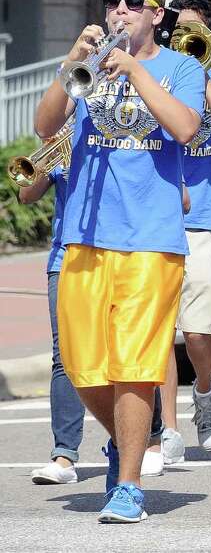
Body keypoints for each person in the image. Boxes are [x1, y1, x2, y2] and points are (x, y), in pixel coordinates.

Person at [34, 0, 205, 522]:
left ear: (157, 13)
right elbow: (44, 128)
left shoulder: (180, 67)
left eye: (134, 2)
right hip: (83, 237)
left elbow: (184, 128)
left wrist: (135, 71)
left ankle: (129, 482)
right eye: (113, 1)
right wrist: (70, 62)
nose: (120, 10)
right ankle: (126, 441)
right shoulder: (90, 65)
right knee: (83, 369)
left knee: (134, 365)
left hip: (150, 240)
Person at [153, 0, 211, 461]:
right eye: (178, 31)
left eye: (194, 33)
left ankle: (205, 390)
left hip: (204, 218)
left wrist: (200, 75)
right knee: (161, 329)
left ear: (209, 38)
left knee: (198, 331)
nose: (182, 40)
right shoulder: (154, 77)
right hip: (158, 217)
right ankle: (168, 427)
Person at [23, 155, 86, 485]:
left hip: (113, 253)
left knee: (124, 352)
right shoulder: (60, 141)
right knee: (64, 358)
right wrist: (47, 159)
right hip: (64, 259)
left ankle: (149, 438)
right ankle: (64, 456)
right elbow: (26, 195)